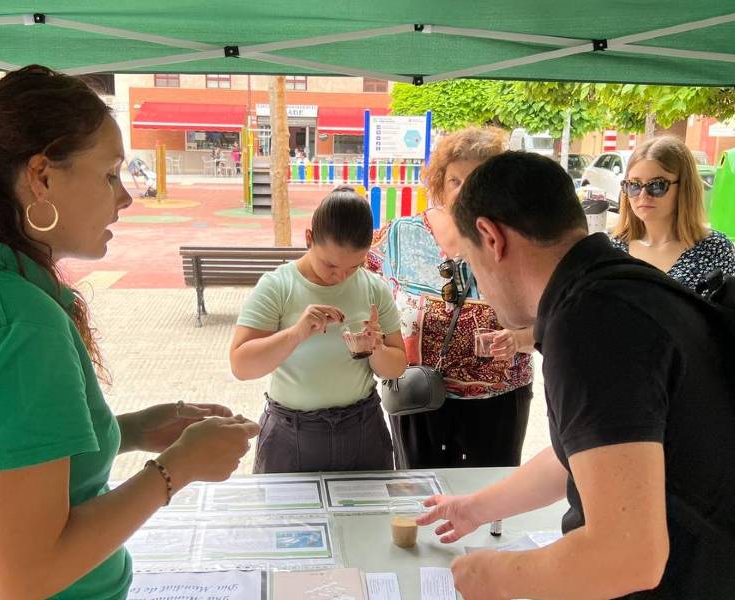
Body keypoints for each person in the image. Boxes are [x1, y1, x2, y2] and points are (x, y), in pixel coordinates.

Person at [0, 65, 259, 599]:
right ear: (41, 177)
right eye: (110, 174)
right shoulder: (14, 322)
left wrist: (126, 430)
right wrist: (175, 469)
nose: (125, 197)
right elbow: (23, 574)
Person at [419, 151, 735, 599]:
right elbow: (590, 449)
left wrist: (493, 576)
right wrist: (474, 508)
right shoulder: (620, 286)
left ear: (491, 238)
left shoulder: (588, 322)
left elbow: (627, 557)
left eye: (471, 265)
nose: (484, 294)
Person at [367, 127, 534, 469]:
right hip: (417, 396)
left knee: (488, 499)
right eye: (455, 180)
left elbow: (554, 319)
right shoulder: (400, 234)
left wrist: (519, 338)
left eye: (475, 181)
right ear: (440, 183)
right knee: (418, 494)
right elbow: (355, 286)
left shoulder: (519, 242)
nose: (463, 192)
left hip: (498, 403)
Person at [230, 186, 407, 473]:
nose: (341, 277)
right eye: (331, 265)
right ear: (309, 238)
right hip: (291, 432)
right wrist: (296, 333)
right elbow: (241, 366)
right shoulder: (278, 287)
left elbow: (397, 367)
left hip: (361, 428)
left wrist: (376, 347)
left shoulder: (374, 288)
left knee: (369, 517)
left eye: (354, 267)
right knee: (287, 518)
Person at [610, 135, 735, 289]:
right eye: (634, 185)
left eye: (657, 185)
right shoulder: (612, 248)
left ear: (684, 187)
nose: (643, 195)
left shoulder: (716, 249)